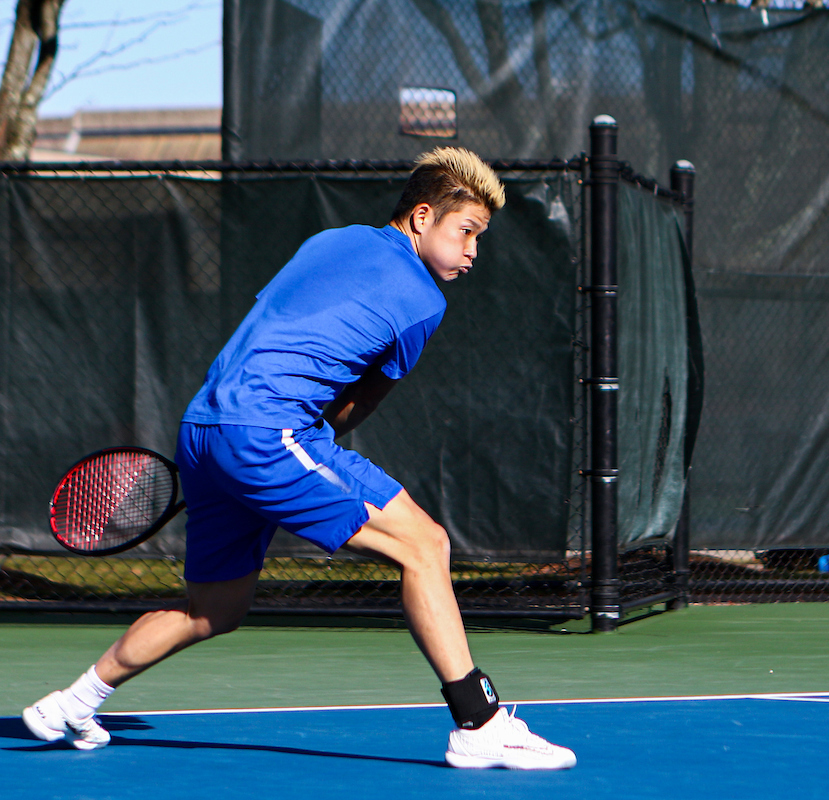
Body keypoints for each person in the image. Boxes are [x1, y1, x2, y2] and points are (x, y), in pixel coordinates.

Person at [22, 147, 576, 771]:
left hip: (203, 429)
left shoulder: (328, 241)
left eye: (480, 238)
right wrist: (297, 443)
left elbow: (277, 326)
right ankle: (479, 724)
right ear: (422, 217)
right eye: (466, 231)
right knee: (425, 546)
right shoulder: (425, 300)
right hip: (267, 434)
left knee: (213, 610)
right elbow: (355, 405)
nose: (473, 251)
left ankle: (73, 702)